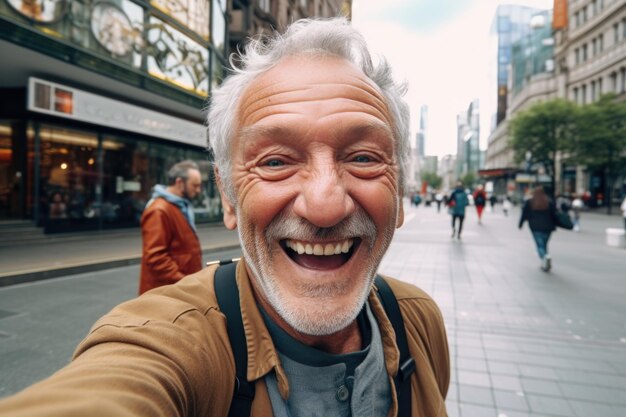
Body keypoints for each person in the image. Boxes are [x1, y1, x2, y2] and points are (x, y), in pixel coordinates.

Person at [0, 18, 449, 417]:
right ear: (228, 197)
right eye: (275, 162)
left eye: (364, 157)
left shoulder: (418, 321)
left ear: (402, 192)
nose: (325, 204)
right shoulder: (168, 343)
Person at [138, 160, 203, 294]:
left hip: (176, 289)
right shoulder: (159, 211)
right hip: (165, 293)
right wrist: (183, 281)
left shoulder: (179, 206)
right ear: (179, 183)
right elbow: (156, 257)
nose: (198, 190)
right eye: (194, 185)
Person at [518, 186, 557, 272]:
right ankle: (545, 259)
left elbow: (524, 214)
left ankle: (545, 257)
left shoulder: (530, 202)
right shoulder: (549, 202)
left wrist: (520, 224)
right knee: (544, 244)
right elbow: (554, 214)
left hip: (535, 227)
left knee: (540, 245)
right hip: (548, 227)